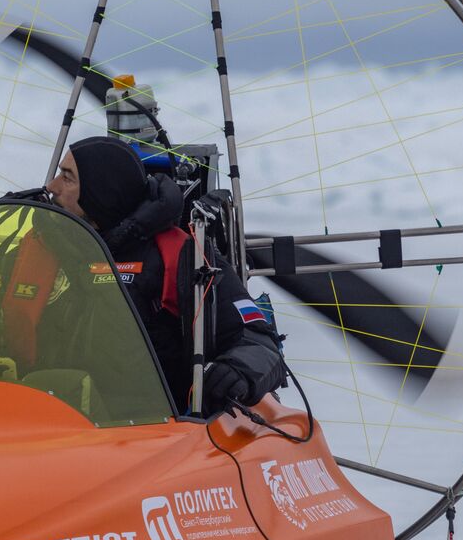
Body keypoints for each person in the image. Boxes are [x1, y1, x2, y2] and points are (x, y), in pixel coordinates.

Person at [46, 136, 286, 414]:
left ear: (101, 191)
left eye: (67, 177)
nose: (52, 187)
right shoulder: (46, 246)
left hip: (148, 430)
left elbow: (259, 342)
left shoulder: (178, 253)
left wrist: (236, 371)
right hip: (43, 423)